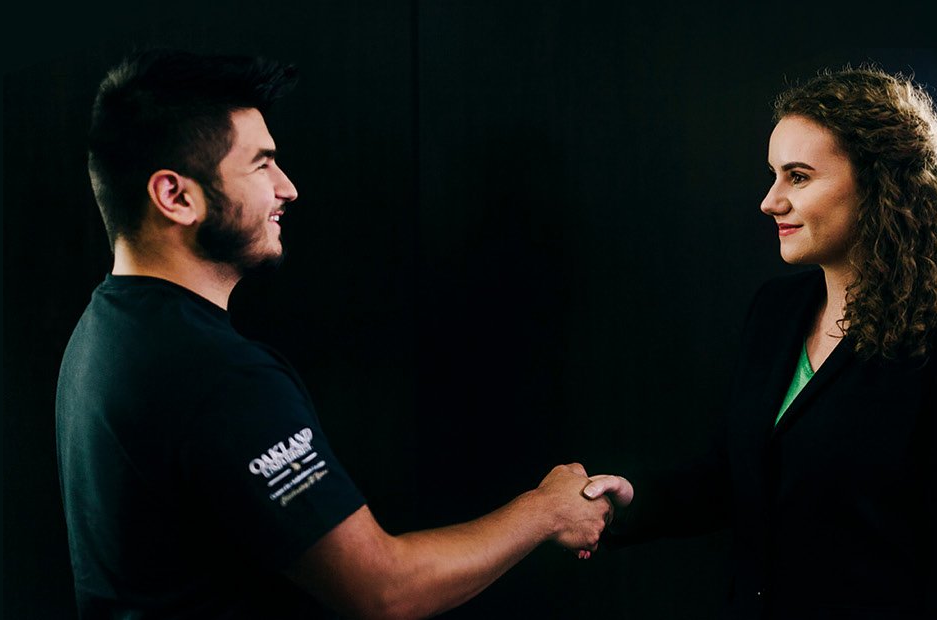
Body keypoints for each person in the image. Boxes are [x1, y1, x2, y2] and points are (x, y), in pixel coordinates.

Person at [55, 49, 617, 620]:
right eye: (260, 165)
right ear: (176, 197)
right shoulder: (220, 375)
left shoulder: (101, 333)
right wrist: (544, 511)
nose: (288, 188)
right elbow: (383, 590)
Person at [583, 65, 937, 618]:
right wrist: (632, 499)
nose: (770, 201)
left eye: (797, 176)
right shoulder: (776, 311)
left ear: (877, 183)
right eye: (773, 175)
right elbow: (740, 477)